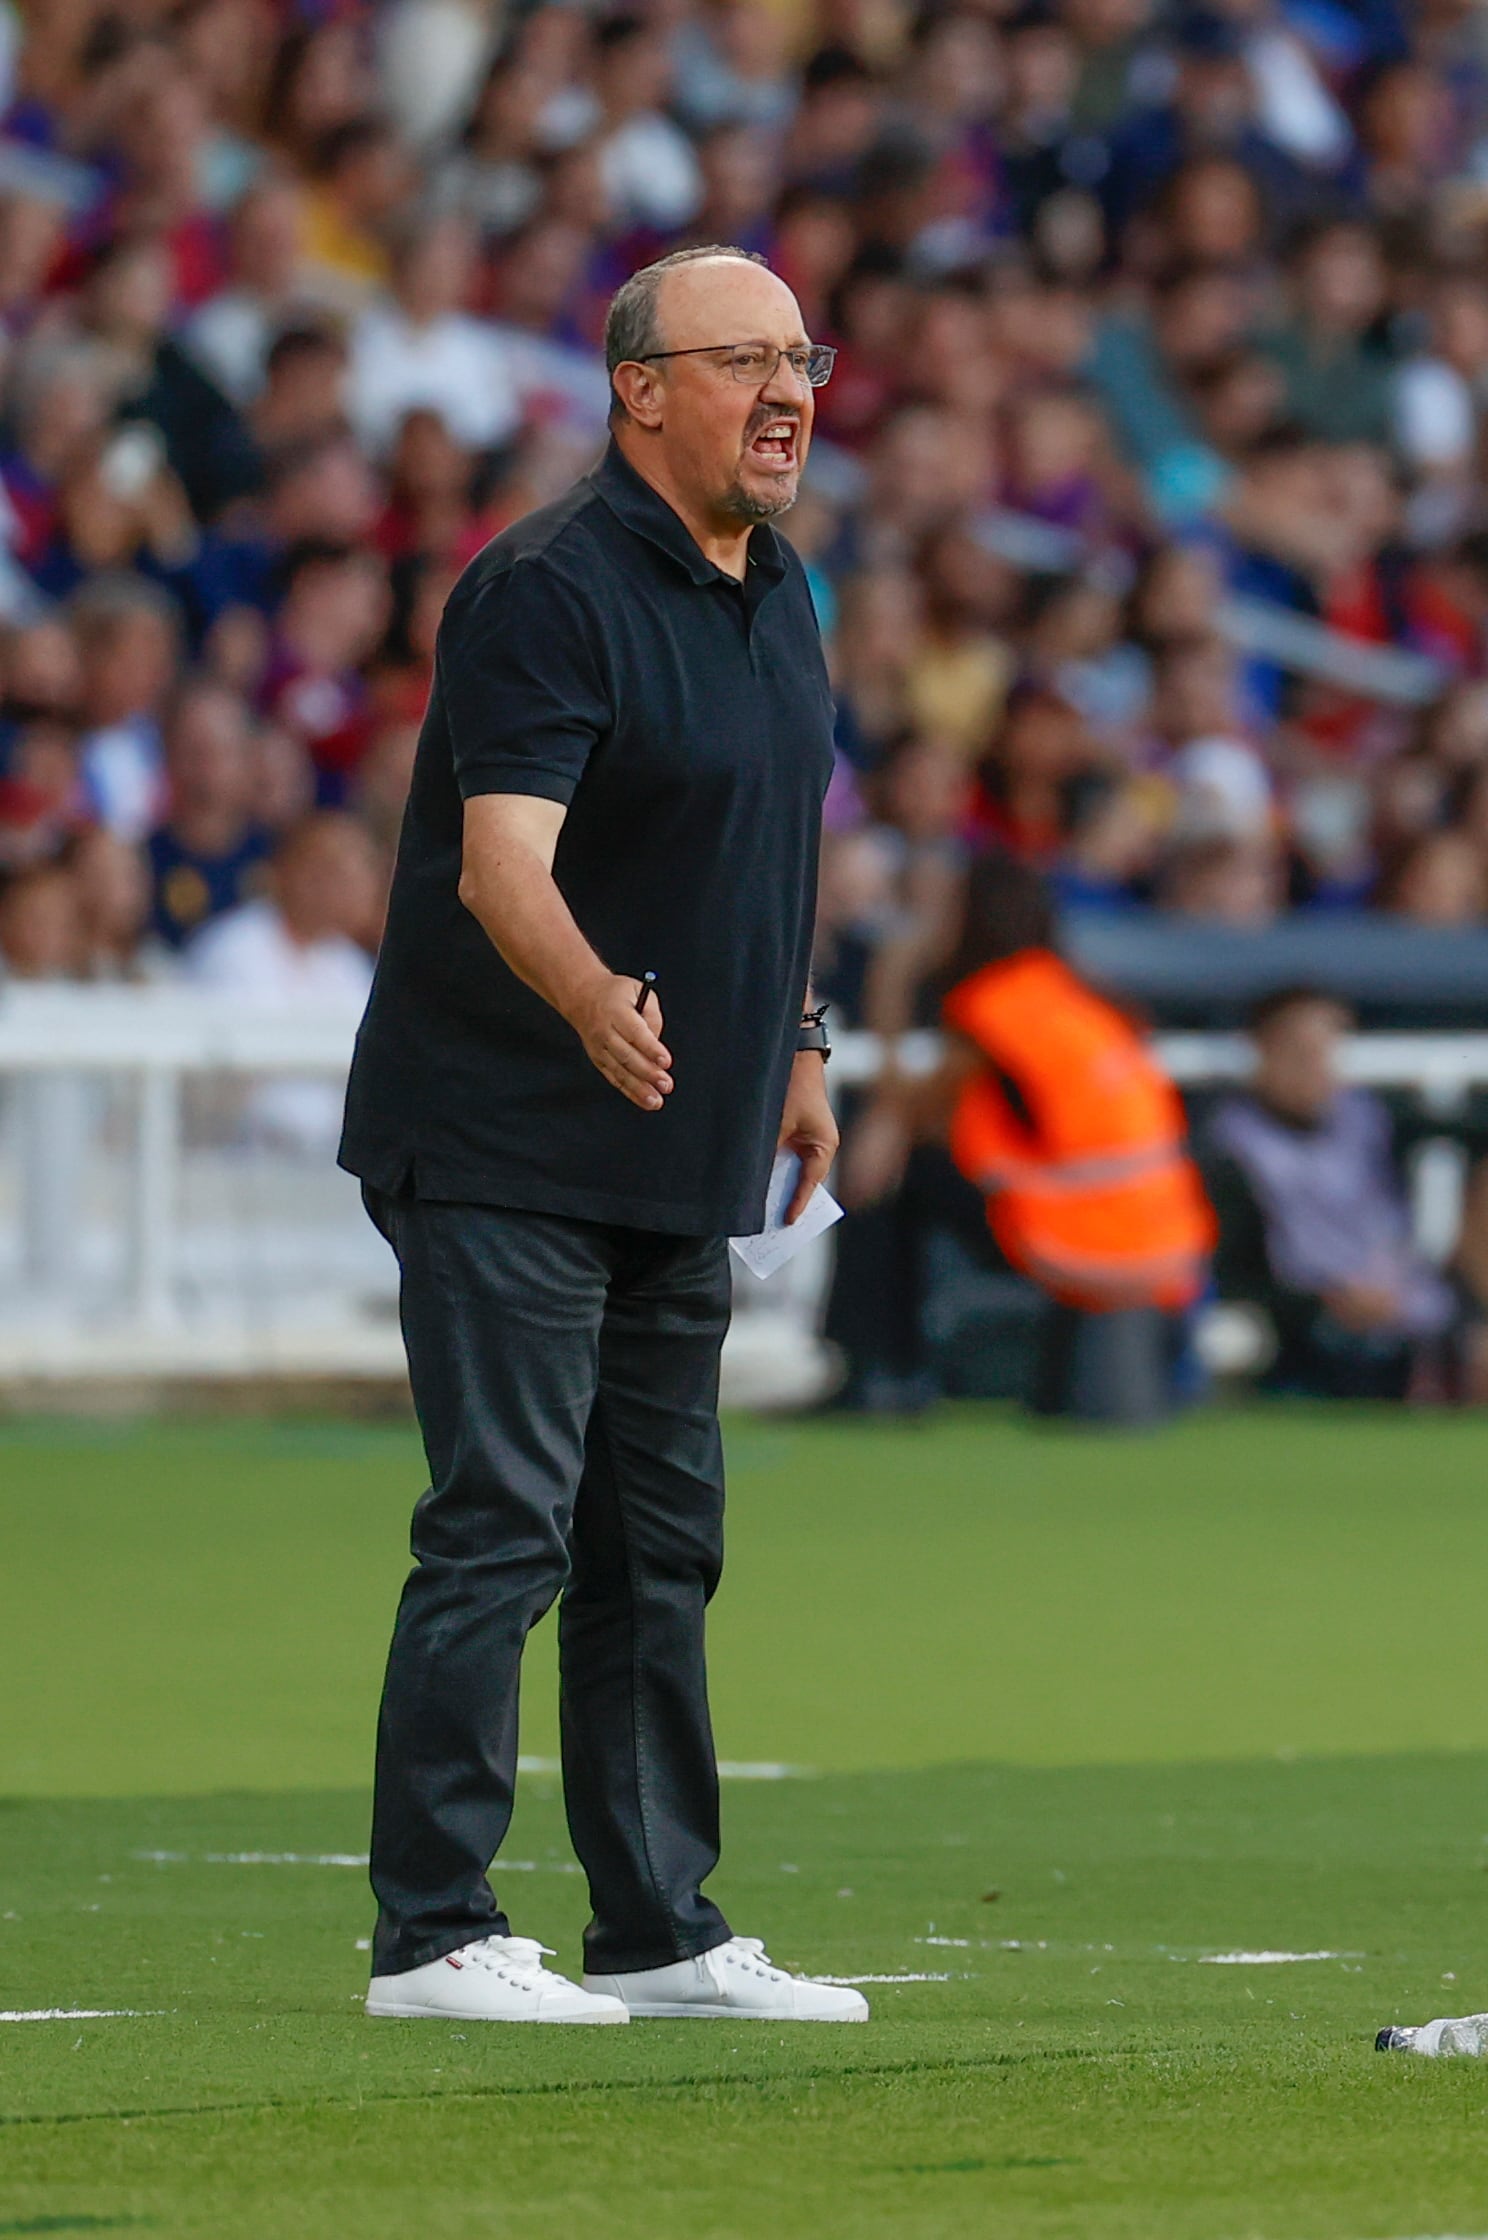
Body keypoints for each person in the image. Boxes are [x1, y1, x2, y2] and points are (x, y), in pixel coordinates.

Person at [338, 246, 865, 2026]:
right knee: (503, 1518)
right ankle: (431, 1934)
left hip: (674, 1140)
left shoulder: (778, 590)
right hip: (499, 1131)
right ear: (640, 386)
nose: (787, 392)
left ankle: (660, 1930)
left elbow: (767, 860)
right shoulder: (548, 587)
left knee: (658, 1537)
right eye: (744, 361)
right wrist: (585, 999)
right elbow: (502, 864)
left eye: (801, 360)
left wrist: (795, 1039)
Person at [833, 856, 1214, 1423]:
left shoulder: (994, 1005)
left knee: (883, 1188)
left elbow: (914, 1112)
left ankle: (882, 1374)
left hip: (1073, 1226)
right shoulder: (1080, 998)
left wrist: (889, 983)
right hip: (1166, 1226)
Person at [1201, 987, 1488, 1400]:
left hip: (1403, 1296)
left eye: (1328, 1052)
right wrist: (1327, 1301)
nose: (1315, 1068)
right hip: (1298, 1319)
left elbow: (1463, 1138)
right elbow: (1234, 1269)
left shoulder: (1370, 1119)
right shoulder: (1229, 1145)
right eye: (1299, 1053)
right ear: (1260, 1051)